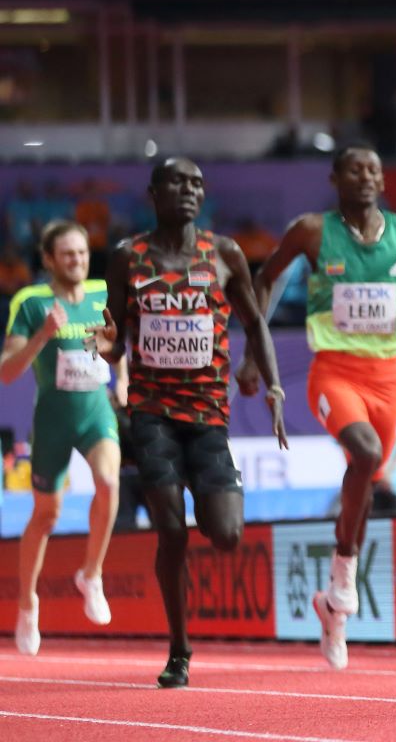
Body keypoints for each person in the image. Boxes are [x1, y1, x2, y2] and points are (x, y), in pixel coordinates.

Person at [236, 143, 396, 671]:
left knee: (366, 481)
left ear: (383, 180)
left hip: (389, 379)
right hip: (334, 372)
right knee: (364, 454)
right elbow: (265, 279)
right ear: (335, 177)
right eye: (354, 169)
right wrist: (255, 354)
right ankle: (345, 579)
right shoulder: (312, 231)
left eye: (374, 168)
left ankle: (333, 602)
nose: (365, 176)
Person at [86, 157, 288, 688]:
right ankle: (179, 648)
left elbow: (255, 323)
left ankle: (207, 505)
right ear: (154, 192)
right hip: (152, 411)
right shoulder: (128, 256)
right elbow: (116, 339)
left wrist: (274, 386)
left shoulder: (224, 254)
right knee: (171, 530)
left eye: (198, 182)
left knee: (226, 535)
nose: (190, 190)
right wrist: (106, 346)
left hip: (208, 415)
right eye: (178, 181)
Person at [0, 220, 126, 656]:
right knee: (46, 516)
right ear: (49, 259)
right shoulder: (31, 302)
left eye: (83, 253)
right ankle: (28, 602)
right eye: (68, 254)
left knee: (110, 483)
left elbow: (114, 345)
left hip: (95, 412)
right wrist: (43, 336)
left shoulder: (102, 295)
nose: (78, 260)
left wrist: (121, 377)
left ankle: (91, 575)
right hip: (52, 419)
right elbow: (7, 370)